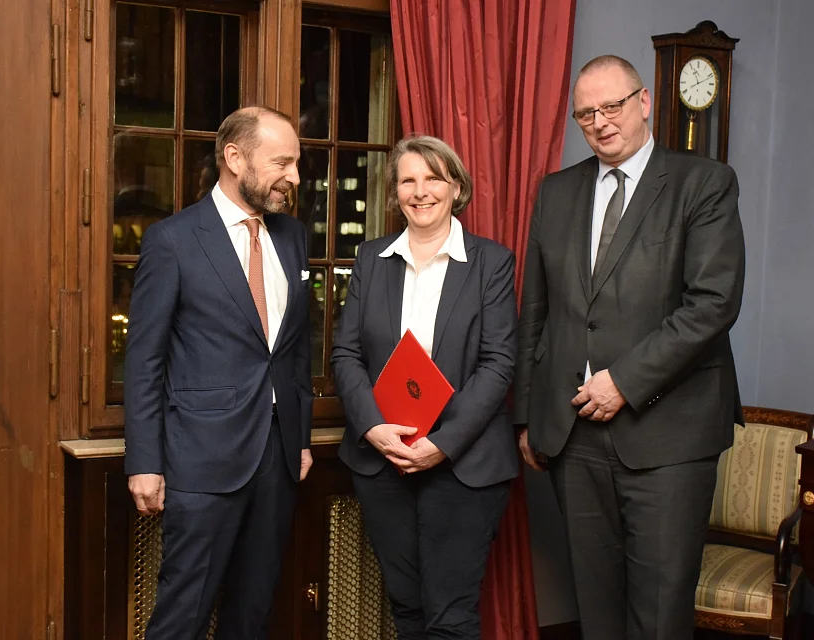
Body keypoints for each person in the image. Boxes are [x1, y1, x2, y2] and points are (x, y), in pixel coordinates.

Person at [514, 55, 746, 640]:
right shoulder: (557, 192)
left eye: (612, 106)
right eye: (585, 114)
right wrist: (528, 416)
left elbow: (712, 304)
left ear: (644, 102)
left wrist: (624, 381)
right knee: (596, 611)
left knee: (660, 616)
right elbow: (535, 313)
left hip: (669, 433)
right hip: (574, 433)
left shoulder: (703, 183)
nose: (599, 122)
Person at [124, 105, 313, 640]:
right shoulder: (174, 240)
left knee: (253, 613)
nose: (294, 178)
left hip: (277, 461)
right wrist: (144, 461)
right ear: (234, 157)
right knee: (182, 615)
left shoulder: (293, 237)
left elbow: (293, 349)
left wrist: (297, 439)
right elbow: (145, 360)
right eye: (282, 163)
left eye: (296, 164)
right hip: (202, 462)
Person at [331, 134, 518, 640]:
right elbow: (345, 354)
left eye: (433, 178)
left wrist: (442, 443)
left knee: (450, 616)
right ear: (395, 193)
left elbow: (499, 364)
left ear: (455, 186)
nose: (420, 191)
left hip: (463, 465)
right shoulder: (371, 259)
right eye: (407, 180)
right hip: (383, 461)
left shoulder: (491, 263)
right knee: (407, 608)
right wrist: (371, 426)